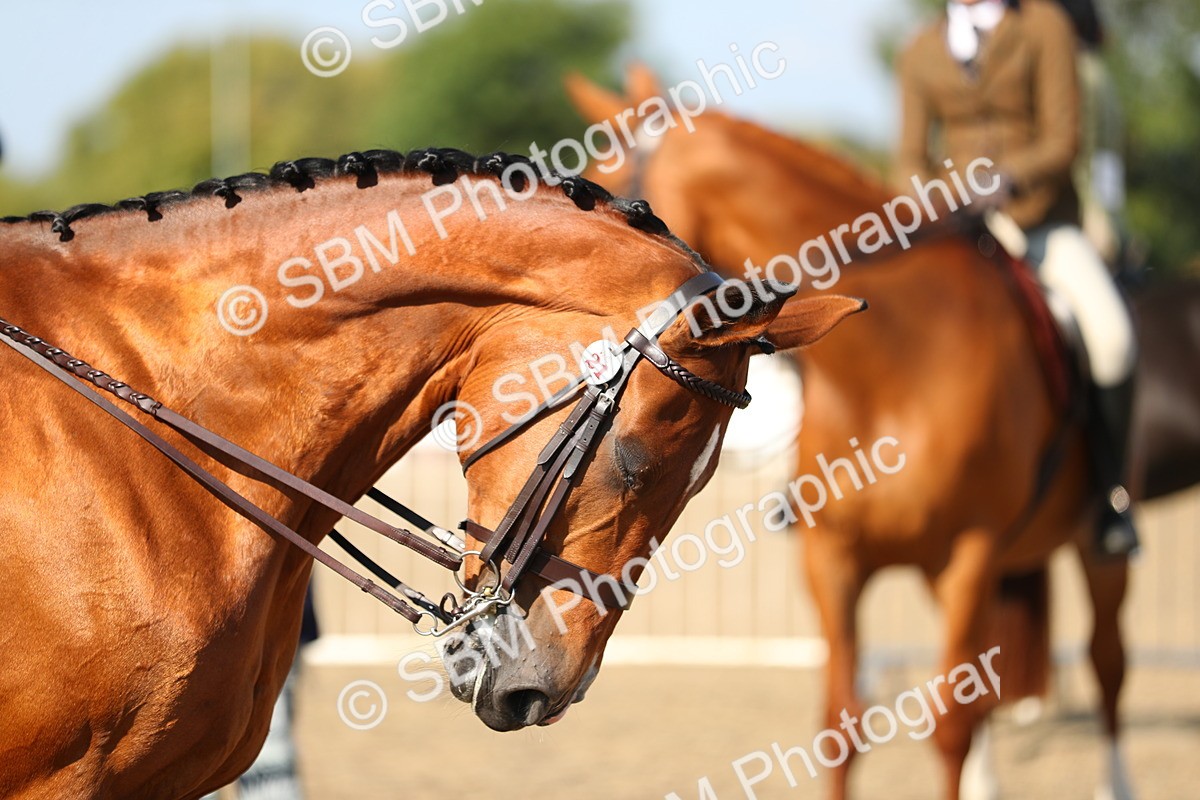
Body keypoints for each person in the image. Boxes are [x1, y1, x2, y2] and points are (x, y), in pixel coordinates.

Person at [896, 0, 1139, 556]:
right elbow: (908, 157)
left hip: (1038, 224)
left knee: (1113, 339)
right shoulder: (920, 50)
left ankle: (1112, 497)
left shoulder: (1045, 27)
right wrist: (939, 196)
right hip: (957, 230)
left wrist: (1005, 181)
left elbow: (1063, 140)